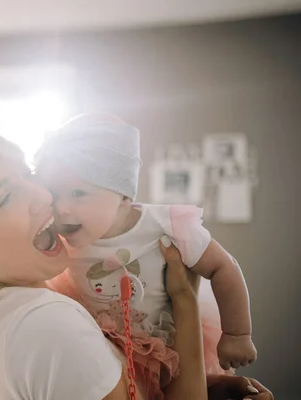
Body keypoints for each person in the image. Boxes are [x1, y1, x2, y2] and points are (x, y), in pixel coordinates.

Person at [0, 119, 272, 400]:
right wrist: (184, 301)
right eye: (5, 198)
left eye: (27, 172)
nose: (44, 197)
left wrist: (201, 387)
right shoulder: (48, 321)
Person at [34, 114, 257, 397]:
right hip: (102, 350)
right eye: (54, 194)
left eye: (79, 193)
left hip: (165, 347)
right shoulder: (58, 232)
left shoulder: (167, 225)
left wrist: (237, 334)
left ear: (124, 195)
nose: (62, 208)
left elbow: (224, 267)